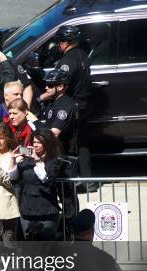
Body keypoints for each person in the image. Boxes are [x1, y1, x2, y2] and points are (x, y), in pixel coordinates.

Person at [47, 25, 94, 186]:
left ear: (65, 43)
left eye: (59, 42)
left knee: (67, 144)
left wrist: (41, 96)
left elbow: (58, 83)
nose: (58, 45)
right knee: (82, 143)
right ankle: (88, 180)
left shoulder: (67, 61)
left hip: (71, 107)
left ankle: (68, 179)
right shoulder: (83, 54)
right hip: (85, 105)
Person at [8, 129, 62, 240]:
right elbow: (13, 177)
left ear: (46, 144)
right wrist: (13, 160)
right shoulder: (27, 160)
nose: (35, 145)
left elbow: (46, 179)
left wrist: (38, 161)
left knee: (45, 247)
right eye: (34, 142)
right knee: (29, 246)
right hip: (27, 209)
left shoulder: (53, 161)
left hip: (46, 210)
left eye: (39, 142)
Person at [37, 69, 77, 153]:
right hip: (51, 149)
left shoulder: (66, 105)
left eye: (50, 85)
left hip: (62, 153)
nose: (46, 87)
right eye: (46, 84)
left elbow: (54, 133)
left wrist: (37, 144)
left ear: (60, 87)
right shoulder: (53, 101)